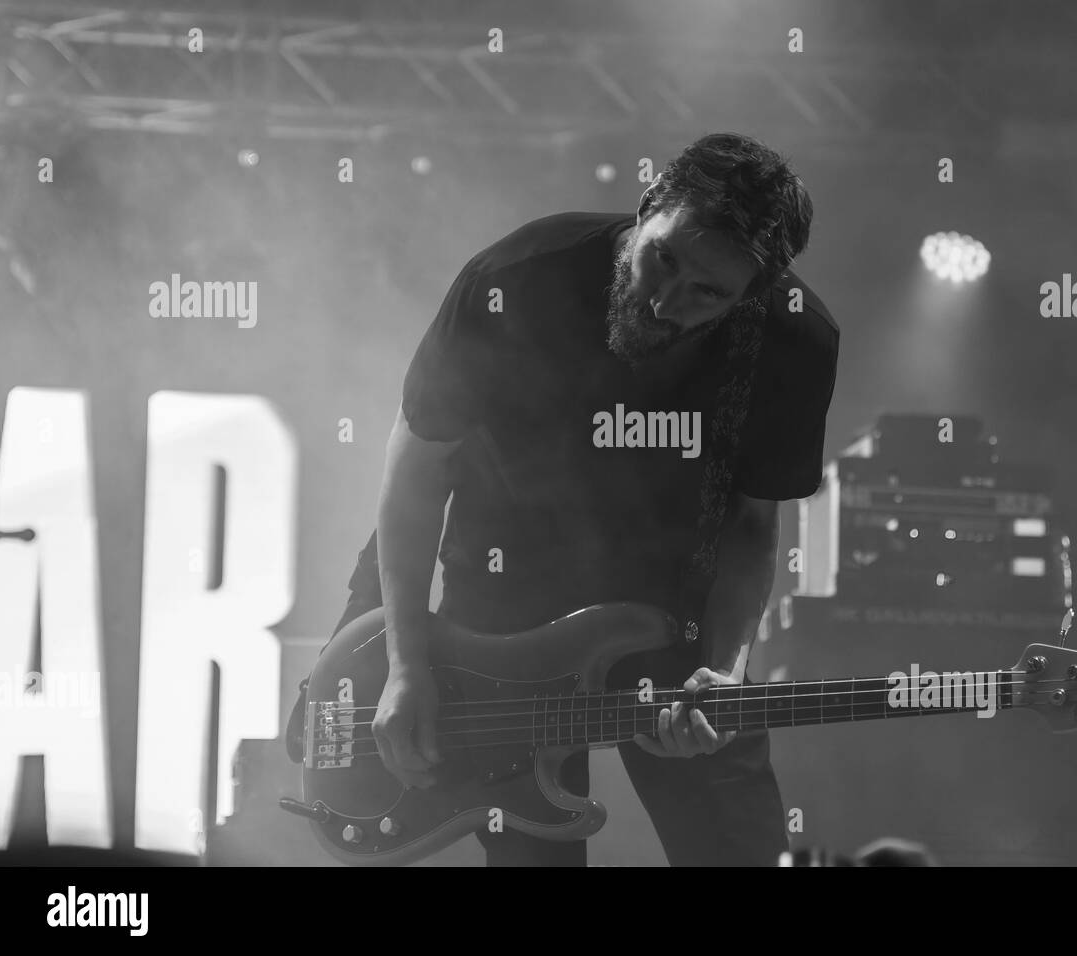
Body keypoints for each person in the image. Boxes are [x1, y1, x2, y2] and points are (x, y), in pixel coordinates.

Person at [343, 131, 839, 866]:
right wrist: (409, 664)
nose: (666, 300)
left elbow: (750, 530)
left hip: (676, 622)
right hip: (501, 611)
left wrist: (726, 671)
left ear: (751, 298)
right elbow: (418, 472)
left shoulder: (792, 342)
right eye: (662, 258)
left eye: (709, 292)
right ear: (646, 207)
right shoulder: (517, 277)